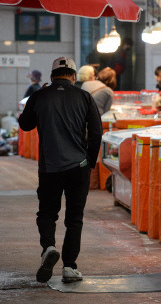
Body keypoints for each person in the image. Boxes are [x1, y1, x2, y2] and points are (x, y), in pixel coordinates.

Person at [18, 57, 102, 284]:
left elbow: (24, 124)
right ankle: (69, 267)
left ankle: (48, 247)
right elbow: (96, 133)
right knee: (74, 218)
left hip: (49, 167)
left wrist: (36, 97)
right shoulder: (84, 97)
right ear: (73, 76)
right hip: (78, 167)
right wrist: (90, 163)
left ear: (52, 76)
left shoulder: (40, 95)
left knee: (46, 213)